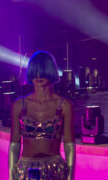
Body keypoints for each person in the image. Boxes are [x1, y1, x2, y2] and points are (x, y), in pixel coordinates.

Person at [9, 51, 75, 180]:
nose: (38, 75)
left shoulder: (65, 105)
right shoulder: (19, 105)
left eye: (43, 70)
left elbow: (70, 146)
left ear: (51, 71)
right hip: (25, 171)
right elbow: (14, 145)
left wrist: (70, 177)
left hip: (55, 170)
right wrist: (11, 177)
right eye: (35, 71)